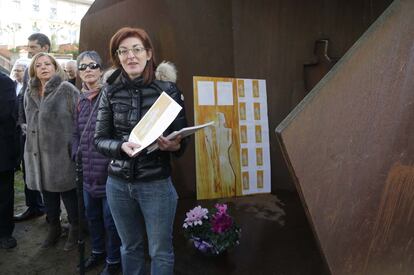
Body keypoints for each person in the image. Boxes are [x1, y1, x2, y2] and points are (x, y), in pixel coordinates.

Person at [94, 27, 188, 275]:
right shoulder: (110, 90)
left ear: (148, 53)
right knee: (129, 247)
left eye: (136, 49)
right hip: (117, 184)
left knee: (160, 250)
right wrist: (120, 147)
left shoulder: (168, 90)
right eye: (123, 51)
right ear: (117, 57)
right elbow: (100, 139)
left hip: (156, 183)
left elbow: (182, 139)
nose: (130, 56)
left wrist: (175, 144)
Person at [24, 52, 80, 250]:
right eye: (38, 65)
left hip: (62, 154)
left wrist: (72, 147)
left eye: (47, 63)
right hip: (37, 153)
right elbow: (27, 118)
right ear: (33, 70)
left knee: (68, 193)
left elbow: (80, 120)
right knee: (47, 192)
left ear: (55, 67)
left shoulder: (66, 89)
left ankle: (75, 228)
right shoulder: (29, 91)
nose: (43, 67)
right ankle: (54, 227)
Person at [72, 51, 121, 274]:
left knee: (111, 222)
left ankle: (113, 261)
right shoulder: (80, 101)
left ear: (101, 70)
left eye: (92, 65)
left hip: (108, 172)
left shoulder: (110, 95)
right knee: (92, 218)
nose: (88, 70)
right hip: (87, 174)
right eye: (82, 67)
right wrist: (75, 151)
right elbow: (75, 133)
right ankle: (98, 252)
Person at [14, 33, 50, 222]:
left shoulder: (53, 71)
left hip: (46, 133)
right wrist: (22, 123)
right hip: (27, 131)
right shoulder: (29, 70)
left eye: (33, 47)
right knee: (29, 168)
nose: (29, 50)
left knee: (48, 171)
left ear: (45, 48)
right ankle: (34, 207)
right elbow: (23, 100)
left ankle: (52, 212)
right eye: (28, 47)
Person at [0, 72, 18, 249]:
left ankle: (5, 233)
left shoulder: (4, 82)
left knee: (4, 194)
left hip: (2, 151)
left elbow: (4, 113)